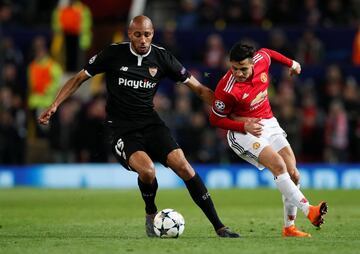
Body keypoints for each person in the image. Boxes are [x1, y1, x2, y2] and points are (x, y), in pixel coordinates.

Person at [38, 15, 239, 238]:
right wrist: (55, 104)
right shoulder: (113, 53)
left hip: (151, 123)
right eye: (138, 34)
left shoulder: (162, 57)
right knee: (147, 170)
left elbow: (199, 89)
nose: (143, 40)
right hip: (121, 128)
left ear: (152, 33)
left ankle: (219, 226)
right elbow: (78, 78)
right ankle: (151, 213)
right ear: (129, 34)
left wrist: (228, 112)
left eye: (147, 34)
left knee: (184, 167)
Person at [209, 42, 328, 237]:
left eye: (243, 69)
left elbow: (269, 53)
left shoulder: (261, 59)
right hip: (243, 133)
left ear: (253, 64)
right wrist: (243, 126)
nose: (238, 73)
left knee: (293, 174)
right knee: (278, 165)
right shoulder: (226, 89)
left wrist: (293, 63)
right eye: (234, 68)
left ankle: (289, 228)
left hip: (268, 123)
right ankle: (310, 210)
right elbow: (215, 118)